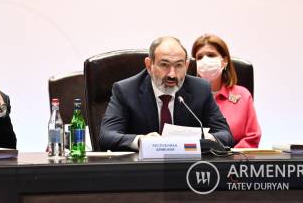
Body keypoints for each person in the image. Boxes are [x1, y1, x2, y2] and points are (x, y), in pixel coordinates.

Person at [99, 36, 234, 151]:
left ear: (186, 66)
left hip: (187, 167)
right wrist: (140, 141)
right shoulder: (126, 90)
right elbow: (107, 136)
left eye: (179, 65)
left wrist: (208, 139)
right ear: (149, 65)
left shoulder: (200, 89)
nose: (172, 74)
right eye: (164, 65)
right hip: (141, 168)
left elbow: (226, 135)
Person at [191, 34, 261, 148]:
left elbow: (252, 138)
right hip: (194, 156)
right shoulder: (185, 97)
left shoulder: (242, 95)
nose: (205, 60)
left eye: (211, 55)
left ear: (224, 61)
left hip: (234, 157)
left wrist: (230, 156)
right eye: (199, 57)